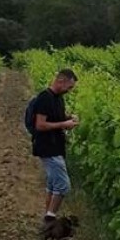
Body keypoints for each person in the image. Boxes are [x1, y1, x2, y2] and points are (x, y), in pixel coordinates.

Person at [32, 68, 80, 227]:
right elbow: (40, 125)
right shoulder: (45, 98)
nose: (70, 90)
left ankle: (47, 219)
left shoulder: (59, 98)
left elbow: (57, 119)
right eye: (69, 87)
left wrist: (69, 119)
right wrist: (63, 124)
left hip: (56, 146)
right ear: (61, 81)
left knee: (53, 184)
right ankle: (50, 220)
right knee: (63, 185)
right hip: (47, 147)